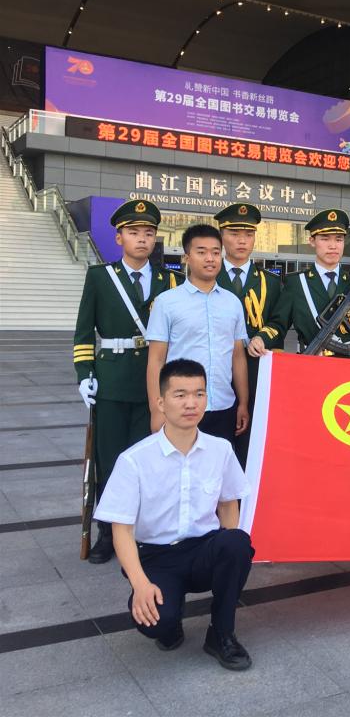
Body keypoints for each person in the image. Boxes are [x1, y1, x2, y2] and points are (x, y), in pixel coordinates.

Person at [94, 358, 254, 670]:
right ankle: (172, 614)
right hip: (157, 556)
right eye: (180, 395)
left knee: (237, 543)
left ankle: (221, 633)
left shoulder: (220, 449)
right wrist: (140, 584)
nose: (191, 403)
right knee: (157, 624)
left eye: (199, 394)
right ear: (161, 402)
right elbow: (121, 530)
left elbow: (227, 505)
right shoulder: (134, 460)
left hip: (203, 549)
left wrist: (230, 560)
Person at [73, 199, 181, 563]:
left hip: (156, 386)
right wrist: (85, 375)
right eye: (134, 232)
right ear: (119, 237)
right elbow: (83, 332)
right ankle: (109, 532)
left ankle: (144, 530)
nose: (142, 239)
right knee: (111, 460)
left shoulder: (171, 280)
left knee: (150, 461)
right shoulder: (100, 277)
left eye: (149, 233)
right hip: (113, 381)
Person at [146, 224, 249, 445]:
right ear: (187, 258)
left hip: (224, 406)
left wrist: (243, 403)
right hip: (182, 408)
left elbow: (238, 356)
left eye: (215, 252)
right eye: (201, 252)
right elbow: (156, 360)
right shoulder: (167, 302)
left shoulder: (232, 302)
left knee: (219, 465)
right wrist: (156, 410)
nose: (210, 258)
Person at [214, 203, 285, 465]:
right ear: (222, 236)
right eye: (234, 234)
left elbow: (279, 321)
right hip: (217, 367)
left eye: (248, 234)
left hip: (256, 369)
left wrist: (262, 337)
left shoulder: (270, 281)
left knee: (251, 441)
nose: (242, 240)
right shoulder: (208, 276)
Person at [248, 209, 350, 357]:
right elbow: (279, 323)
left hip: (349, 365)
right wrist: (261, 338)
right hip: (310, 361)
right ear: (312, 241)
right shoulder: (297, 283)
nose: (333, 246)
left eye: (338, 239)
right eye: (325, 239)